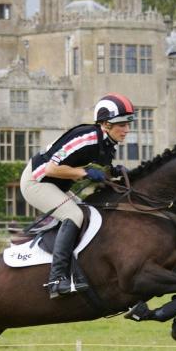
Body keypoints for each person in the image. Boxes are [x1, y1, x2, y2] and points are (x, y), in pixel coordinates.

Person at [19, 93, 134, 298]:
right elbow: (51, 169)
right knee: (74, 216)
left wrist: (115, 172)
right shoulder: (85, 137)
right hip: (37, 182)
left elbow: (102, 171)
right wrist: (84, 172)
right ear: (106, 124)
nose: (127, 129)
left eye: (128, 124)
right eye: (121, 124)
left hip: (57, 186)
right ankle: (56, 280)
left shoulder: (107, 144)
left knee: (92, 216)